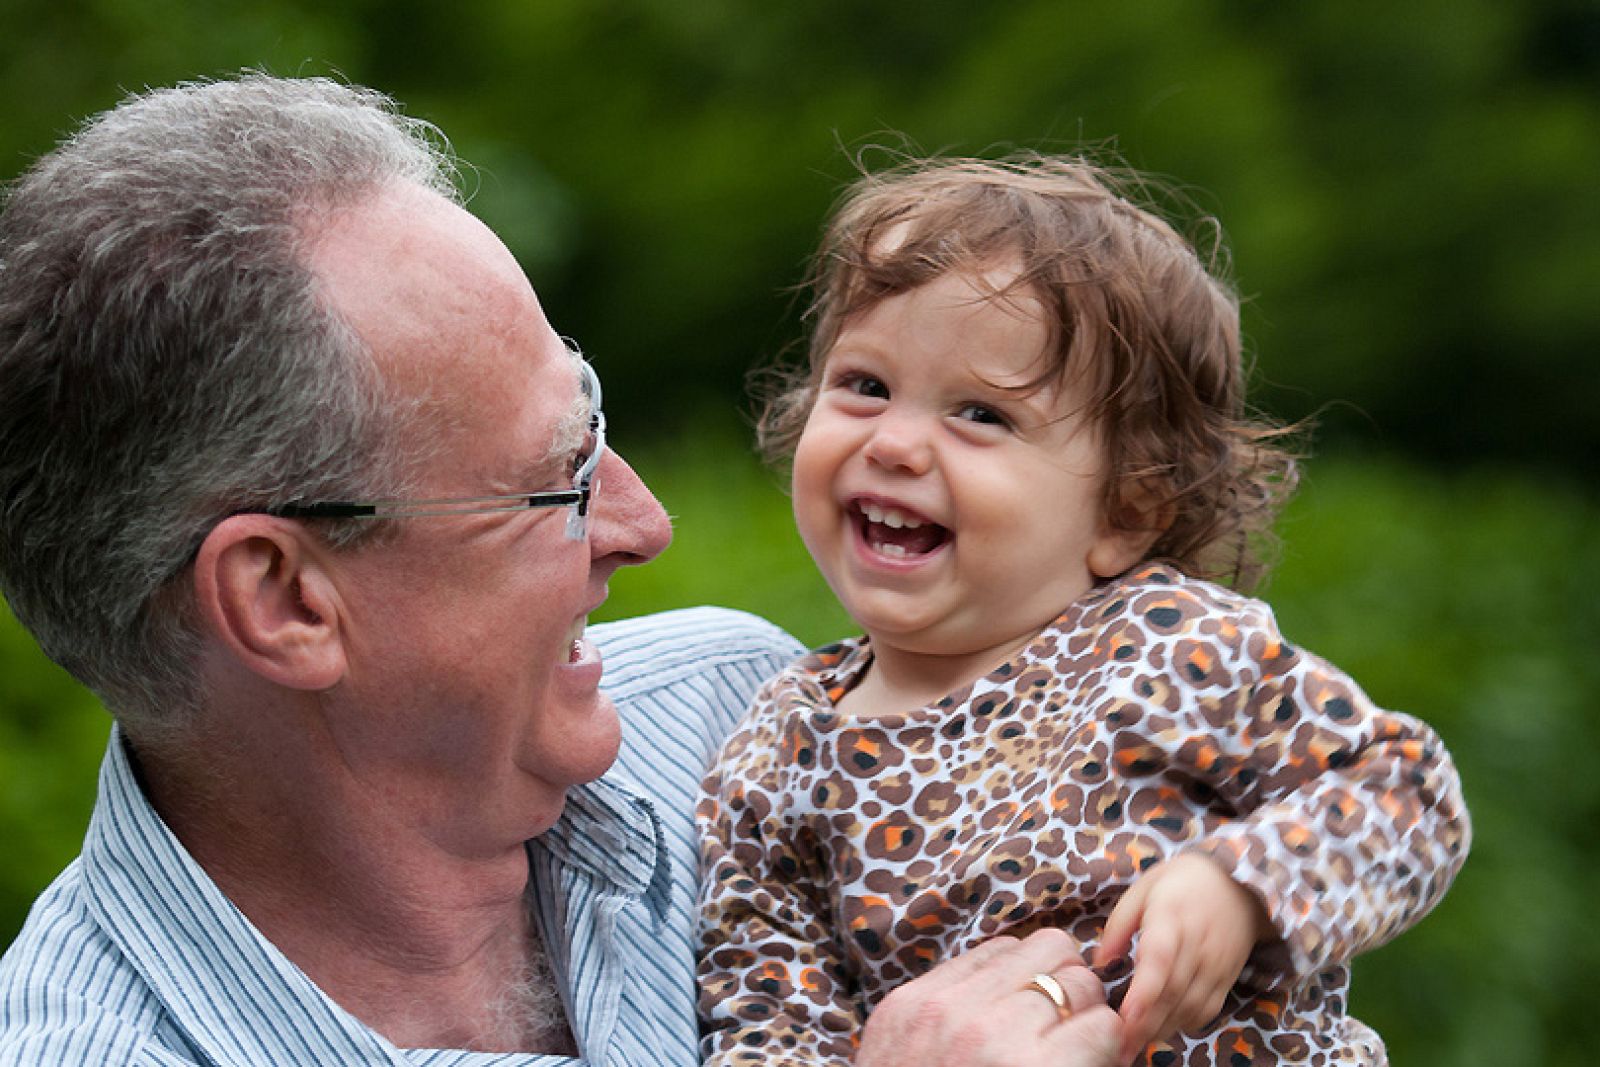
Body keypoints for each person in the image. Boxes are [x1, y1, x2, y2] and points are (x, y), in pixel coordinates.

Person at [0, 76, 1128, 1067]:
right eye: (556, 478)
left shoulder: (741, 718)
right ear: (286, 599)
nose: (642, 521)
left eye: (588, 414)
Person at [696, 156, 1473, 1066]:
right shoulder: (783, 746)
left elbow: (1408, 792)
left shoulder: (1168, 645)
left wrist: (1242, 882)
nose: (896, 442)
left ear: (1126, 511)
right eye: (865, 384)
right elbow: (766, 1015)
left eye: (981, 413)